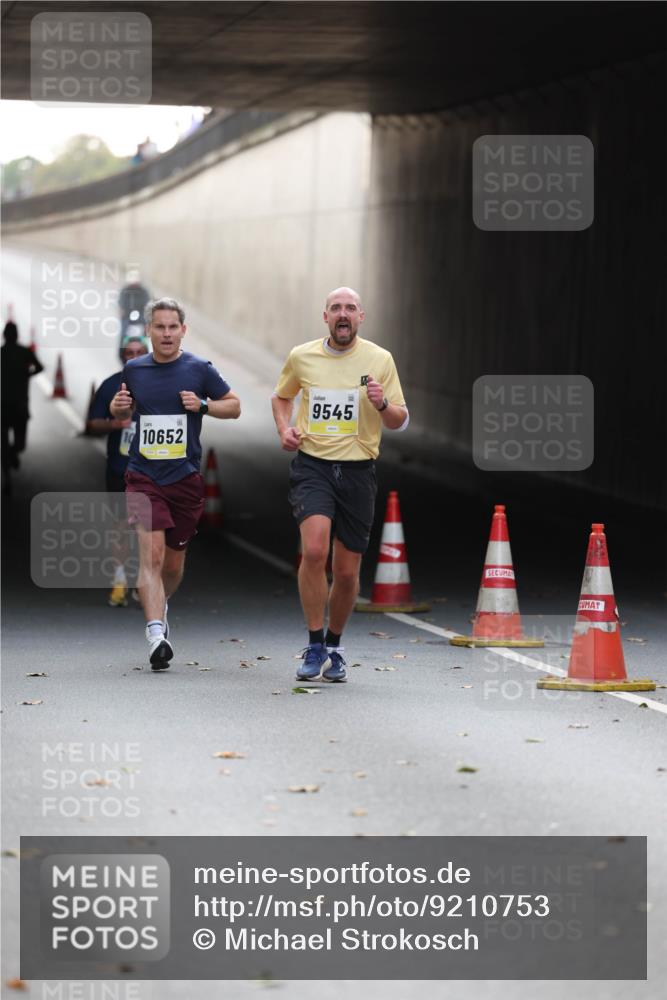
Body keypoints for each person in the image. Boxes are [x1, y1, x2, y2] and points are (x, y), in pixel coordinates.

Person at [271, 286, 409, 683]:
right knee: (314, 551)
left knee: (347, 572)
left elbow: (400, 419)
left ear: (361, 317)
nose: (343, 314)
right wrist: (285, 429)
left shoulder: (379, 359)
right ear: (325, 317)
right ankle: (314, 644)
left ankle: (334, 644)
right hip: (313, 465)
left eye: (350, 308)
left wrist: (382, 404)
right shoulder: (302, 356)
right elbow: (281, 398)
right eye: (336, 308)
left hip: (358, 471)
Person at [110, 298, 241, 670]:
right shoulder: (134, 369)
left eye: (172, 327)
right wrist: (120, 407)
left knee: (172, 565)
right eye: (159, 327)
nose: (166, 334)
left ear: (183, 330)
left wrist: (203, 405)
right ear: (149, 331)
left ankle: (159, 608)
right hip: (143, 475)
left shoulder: (199, 369)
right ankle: (155, 634)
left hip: (184, 480)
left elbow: (234, 406)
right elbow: (120, 409)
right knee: (150, 556)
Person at [87, 336, 149, 607]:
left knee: (147, 530)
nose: (134, 356)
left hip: (152, 471)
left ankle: (144, 583)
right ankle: (120, 580)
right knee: (122, 527)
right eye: (129, 352)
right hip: (119, 469)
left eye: (140, 352)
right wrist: (116, 426)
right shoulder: (111, 385)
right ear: (122, 356)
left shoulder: (160, 384)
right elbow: (91, 424)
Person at [1, 320, 44, 492]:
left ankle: (7, 479)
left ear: (4, 335)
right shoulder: (25, 352)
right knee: (20, 444)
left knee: (2, 443)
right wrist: (26, 374)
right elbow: (40, 367)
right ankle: (13, 453)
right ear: (17, 335)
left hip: (2, 405)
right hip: (20, 405)